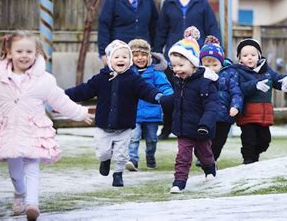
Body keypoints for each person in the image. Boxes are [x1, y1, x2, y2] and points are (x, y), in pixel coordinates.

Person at [0, 31, 93, 220]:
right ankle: (20, 193)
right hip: (8, 132)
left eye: (28, 51)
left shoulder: (45, 80)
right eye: (19, 51)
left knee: (32, 168)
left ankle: (33, 204)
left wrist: (80, 113)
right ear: (9, 53)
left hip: (33, 131)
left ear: (36, 53)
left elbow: (60, 100)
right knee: (16, 172)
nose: (24, 55)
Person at [65, 40, 164, 187]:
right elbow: (84, 90)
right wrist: (63, 95)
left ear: (129, 61)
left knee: (122, 154)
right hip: (103, 125)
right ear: (110, 60)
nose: (121, 60)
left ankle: (118, 174)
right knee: (103, 152)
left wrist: (158, 96)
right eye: (117, 57)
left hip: (124, 126)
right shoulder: (101, 79)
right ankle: (105, 160)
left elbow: (146, 90)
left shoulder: (133, 79)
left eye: (124, 57)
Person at [154, 0, 221, 139]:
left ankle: (196, 128)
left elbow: (212, 28)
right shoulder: (169, 3)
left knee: (194, 96)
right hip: (174, 58)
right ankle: (168, 128)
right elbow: (161, 30)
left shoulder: (202, 3)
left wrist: (216, 49)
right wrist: (156, 54)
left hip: (195, 58)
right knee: (173, 95)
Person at [159, 27, 220, 194]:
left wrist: (205, 124)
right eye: (174, 66)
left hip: (201, 128)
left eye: (181, 65)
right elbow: (177, 99)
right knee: (183, 156)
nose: (177, 69)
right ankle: (179, 182)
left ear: (193, 63)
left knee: (205, 154)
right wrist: (162, 101)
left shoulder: (206, 82)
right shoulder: (179, 80)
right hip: (184, 128)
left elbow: (212, 106)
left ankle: (210, 168)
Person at [235, 38, 287, 164]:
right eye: (245, 55)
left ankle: (254, 155)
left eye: (253, 55)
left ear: (259, 56)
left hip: (264, 115)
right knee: (249, 139)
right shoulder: (238, 72)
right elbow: (240, 88)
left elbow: (277, 78)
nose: (249, 58)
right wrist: (254, 85)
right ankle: (248, 160)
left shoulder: (266, 70)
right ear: (240, 58)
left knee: (264, 141)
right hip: (247, 115)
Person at [125, 39, 173, 171]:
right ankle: (132, 160)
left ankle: (150, 155)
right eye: (136, 55)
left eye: (143, 55)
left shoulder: (156, 74)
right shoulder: (127, 74)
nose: (140, 58)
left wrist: (169, 97)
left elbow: (165, 87)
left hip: (152, 113)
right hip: (133, 113)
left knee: (152, 139)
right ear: (130, 58)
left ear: (149, 57)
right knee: (134, 138)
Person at [98, 0, 159, 65]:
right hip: (120, 54)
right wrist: (103, 53)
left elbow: (154, 24)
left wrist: (155, 48)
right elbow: (104, 26)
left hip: (142, 54)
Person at [199, 36, 243, 163]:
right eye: (207, 65)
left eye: (215, 64)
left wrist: (235, 106)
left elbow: (236, 91)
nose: (211, 68)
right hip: (206, 114)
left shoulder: (229, 73)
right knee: (204, 138)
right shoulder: (199, 75)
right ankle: (204, 157)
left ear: (221, 62)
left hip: (224, 116)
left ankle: (212, 160)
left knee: (219, 141)